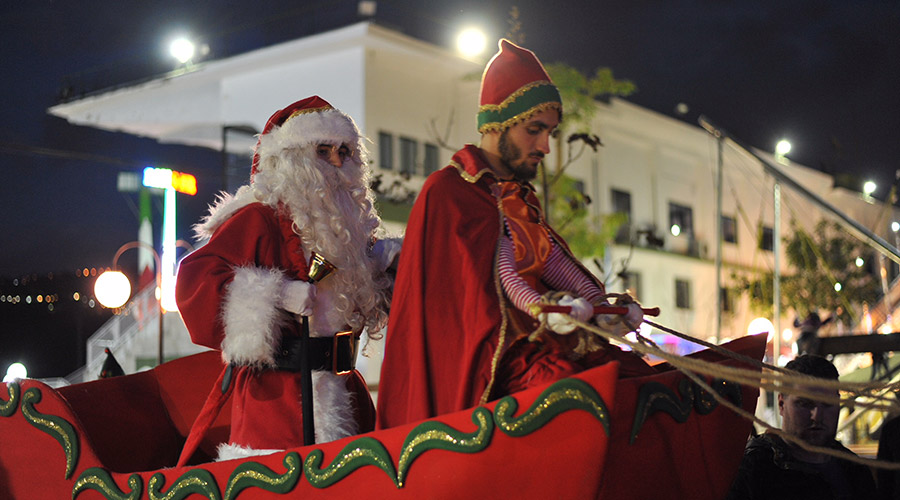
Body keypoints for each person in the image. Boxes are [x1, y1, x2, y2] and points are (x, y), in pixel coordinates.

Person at [376, 40, 654, 430]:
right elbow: (465, 312)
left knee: (639, 378)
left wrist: (599, 311)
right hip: (495, 365)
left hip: (547, 338)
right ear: (498, 124)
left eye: (550, 133)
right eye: (534, 130)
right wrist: (545, 315)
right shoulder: (448, 192)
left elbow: (552, 265)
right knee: (573, 394)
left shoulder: (522, 198)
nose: (545, 146)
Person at [175, 96, 399, 461]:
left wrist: (383, 269)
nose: (338, 162)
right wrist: (275, 293)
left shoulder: (350, 228)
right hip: (278, 399)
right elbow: (194, 283)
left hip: (343, 389)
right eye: (323, 151)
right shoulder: (258, 217)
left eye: (345, 151)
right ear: (292, 158)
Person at [726, 354, 876, 499]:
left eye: (827, 404)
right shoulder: (754, 468)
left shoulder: (854, 471)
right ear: (781, 404)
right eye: (805, 404)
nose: (816, 416)